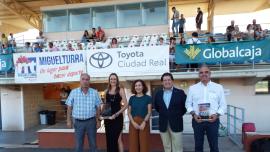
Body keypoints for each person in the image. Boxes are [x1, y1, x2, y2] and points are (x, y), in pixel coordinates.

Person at [185, 64, 227, 152]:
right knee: (198, 146)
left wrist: (217, 115)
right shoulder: (192, 88)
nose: (204, 74)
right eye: (201, 72)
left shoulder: (218, 87)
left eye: (206, 72)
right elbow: (188, 104)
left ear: (210, 74)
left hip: (213, 121)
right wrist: (194, 115)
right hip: (197, 121)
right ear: (198, 75)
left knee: (214, 146)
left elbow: (223, 105)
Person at [66, 73, 101, 152]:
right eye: (83, 79)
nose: (85, 81)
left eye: (87, 79)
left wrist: (98, 120)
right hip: (78, 122)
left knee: (93, 144)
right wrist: (68, 120)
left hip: (91, 122)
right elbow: (69, 106)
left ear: (89, 81)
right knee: (78, 145)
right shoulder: (74, 92)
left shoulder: (94, 92)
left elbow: (98, 107)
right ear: (80, 80)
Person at [154, 72, 187, 152]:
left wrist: (175, 115)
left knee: (178, 147)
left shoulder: (180, 93)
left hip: (177, 123)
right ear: (162, 82)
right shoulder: (158, 94)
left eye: (169, 80)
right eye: (165, 80)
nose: (167, 82)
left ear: (172, 81)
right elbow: (157, 107)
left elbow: (184, 107)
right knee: (166, 147)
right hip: (163, 123)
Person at [101, 73, 128, 152]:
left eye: (114, 79)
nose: (113, 80)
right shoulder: (106, 91)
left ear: (117, 80)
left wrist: (116, 114)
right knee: (109, 140)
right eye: (111, 79)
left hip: (117, 118)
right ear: (109, 80)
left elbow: (126, 105)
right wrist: (101, 115)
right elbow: (105, 105)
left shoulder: (120, 90)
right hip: (108, 119)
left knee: (118, 139)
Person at [128, 79, 152, 152]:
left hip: (144, 122)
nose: (138, 87)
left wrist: (144, 122)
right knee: (133, 144)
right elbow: (129, 112)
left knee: (144, 144)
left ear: (143, 87)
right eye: (136, 85)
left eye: (139, 85)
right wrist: (133, 122)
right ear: (134, 87)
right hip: (133, 122)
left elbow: (149, 112)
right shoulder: (132, 98)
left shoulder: (148, 98)